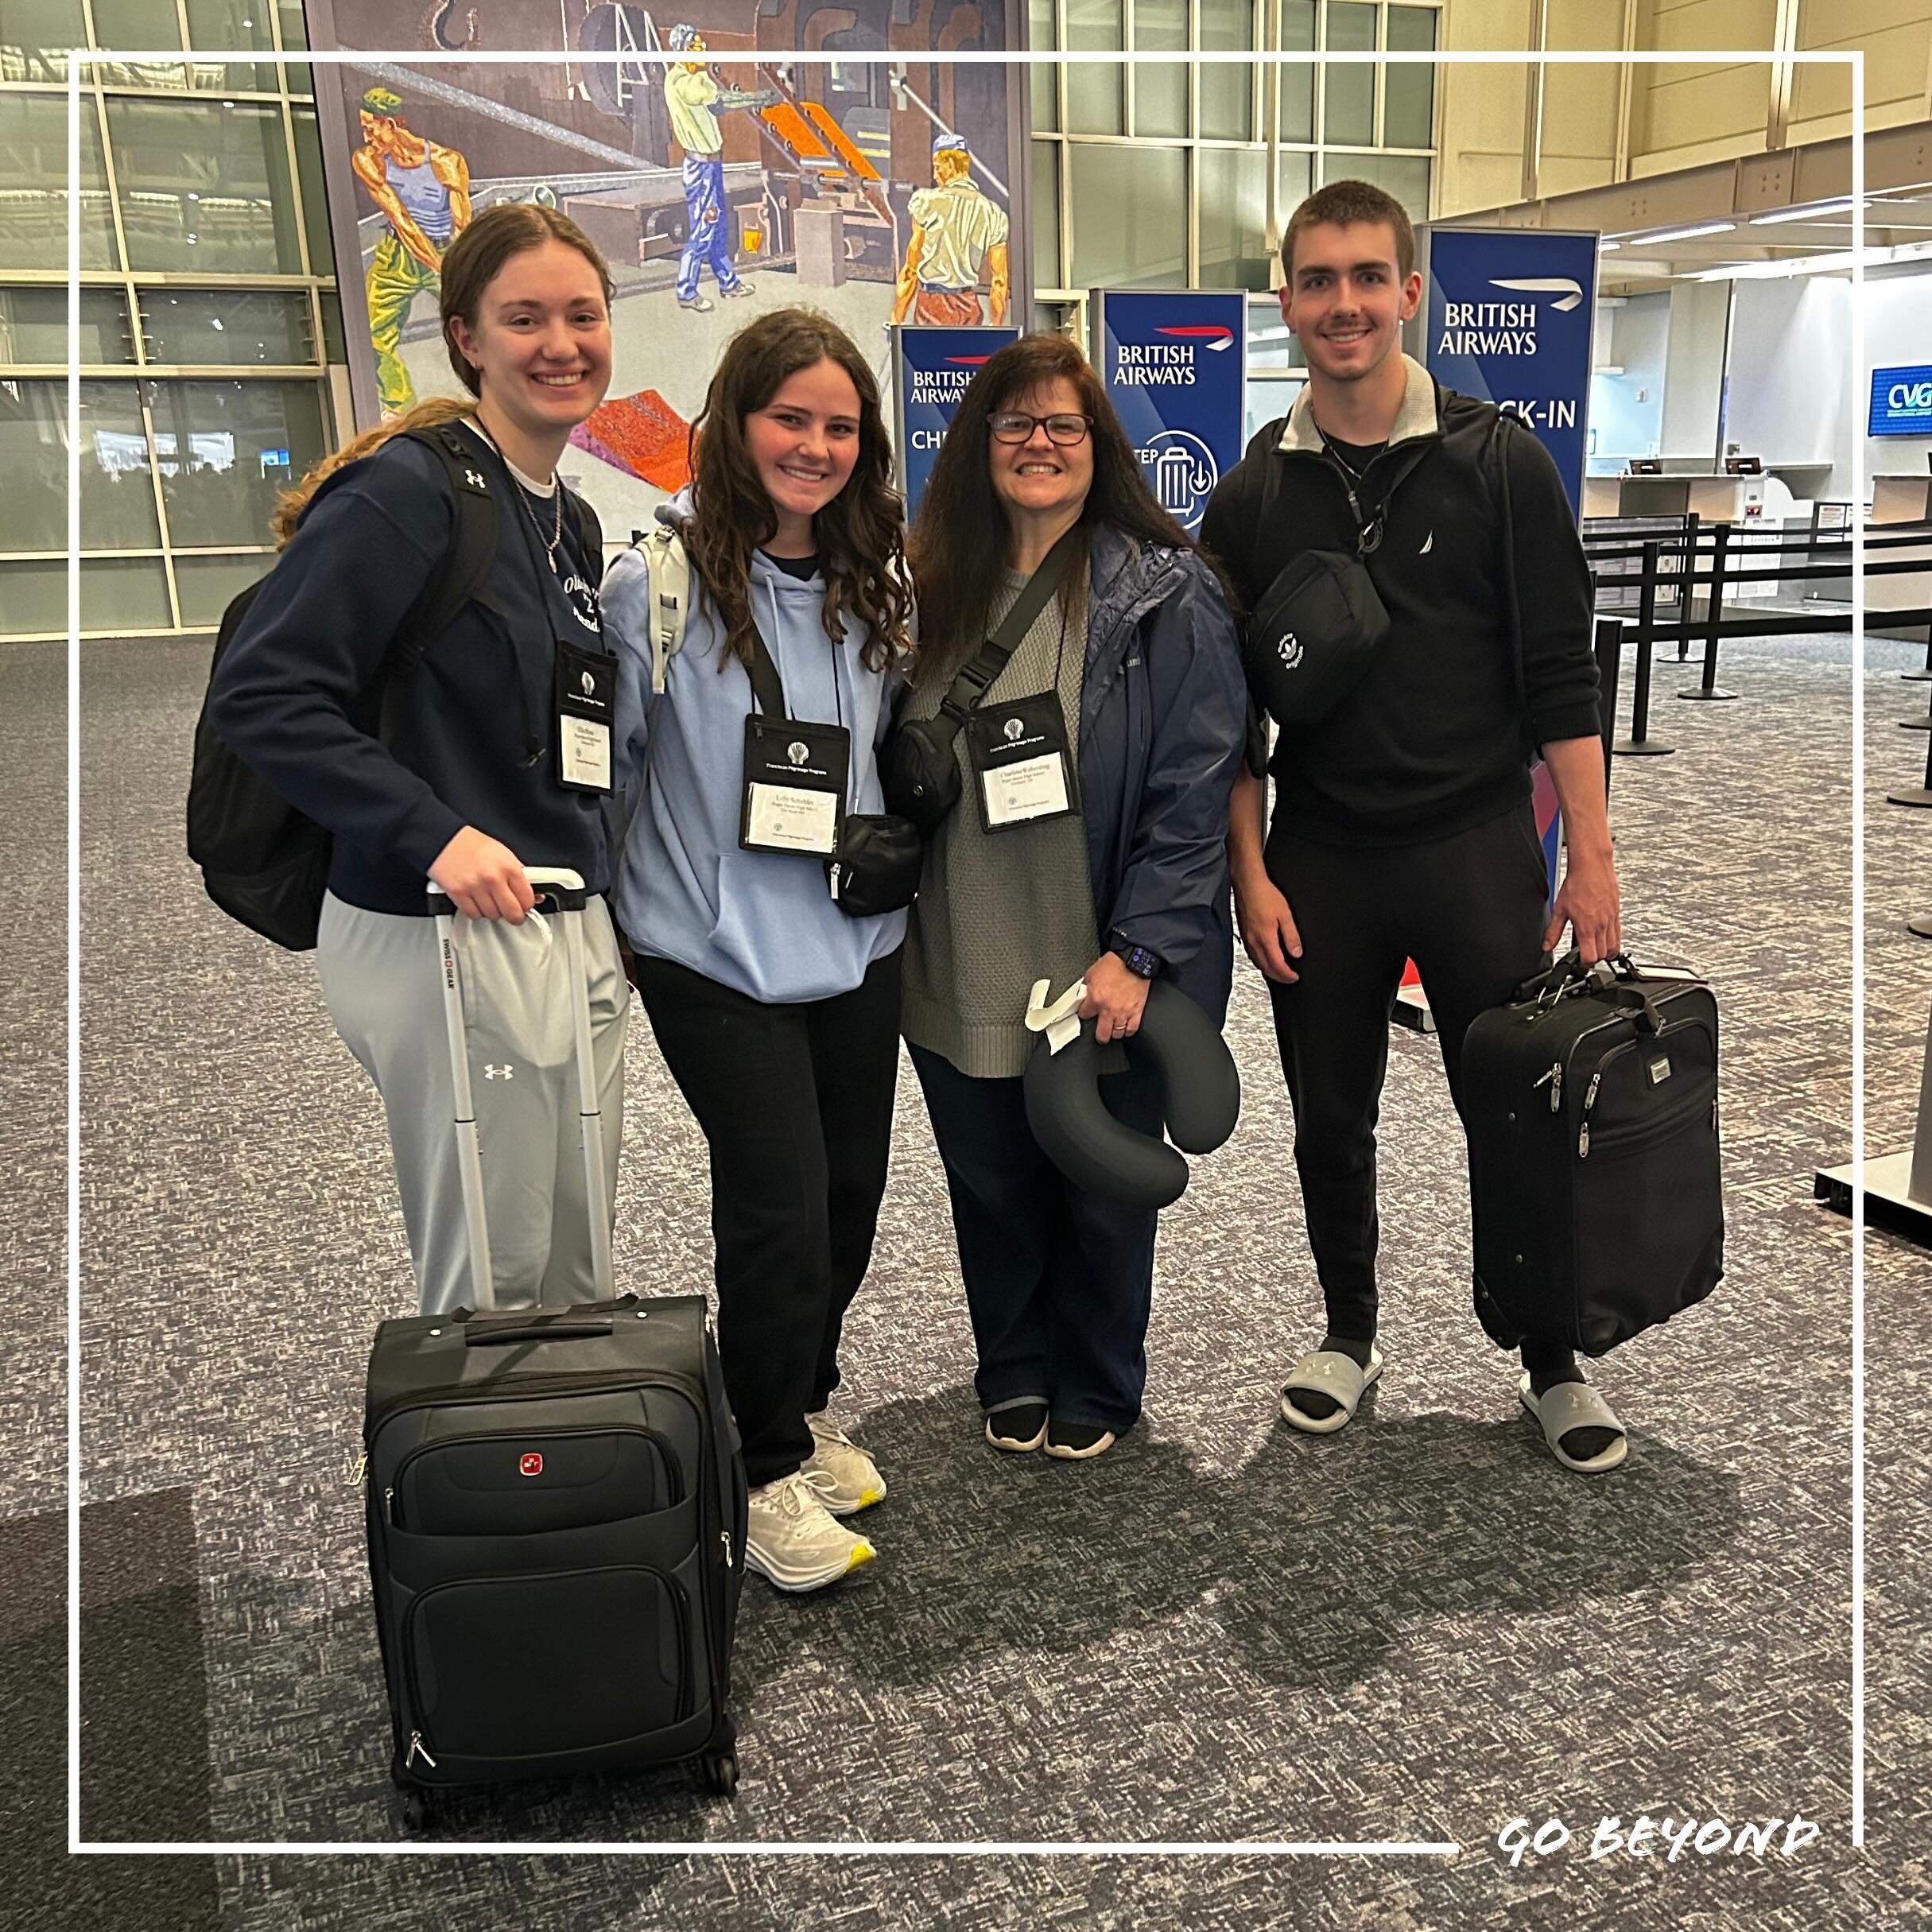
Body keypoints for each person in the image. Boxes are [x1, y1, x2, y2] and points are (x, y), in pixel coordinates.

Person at [1199, 180, 1628, 1473]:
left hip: (1478, 852)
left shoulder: (1499, 464)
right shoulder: (1250, 496)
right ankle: (1348, 1330)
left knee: (1521, 1113)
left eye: (1366, 278)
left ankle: (1552, 1358)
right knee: (1333, 1117)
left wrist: (1593, 861)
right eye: (1318, 281)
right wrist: (1250, 874)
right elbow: (1228, 722)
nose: (1343, 304)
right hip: (1322, 862)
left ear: (1408, 294)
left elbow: (1562, 673)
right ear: (1287, 302)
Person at [208, 204, 626, 1317]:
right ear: (466, 339)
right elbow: (264, 691)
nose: (560, 343)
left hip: (554, 919)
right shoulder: (411, 490)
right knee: (491, 1262)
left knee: (571, 1253)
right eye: (523, 317)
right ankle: (484, 1478)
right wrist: (435, 835)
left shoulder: (566, 519)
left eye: (581, 315)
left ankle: (574, 1462)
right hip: (436, 925)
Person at [603, 308, 912, 1593]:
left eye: (840, 426)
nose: (816, 445)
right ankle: (763, 1464)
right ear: (735, 424)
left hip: (855, 939)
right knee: (777, 1207)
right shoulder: (654, 588)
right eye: (791, 417)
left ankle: (795, 1398)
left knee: (848, 1199)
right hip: (709, 949)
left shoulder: (873, 586)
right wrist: (617, 931)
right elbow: (604, 773)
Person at [900, 334, 1246, 1461]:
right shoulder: (926, 585)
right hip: (963, 938)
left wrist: (1140, 950)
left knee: (1101, 1181)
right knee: (988, 1177)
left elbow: (1195, 787)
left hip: (1096, 946)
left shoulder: (1164, 591)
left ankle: (1097, 1376)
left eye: (1062, 425)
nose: (1038, 444)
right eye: (1014, 424)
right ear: (978, 446)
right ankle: (1011, 1362)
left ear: (1099, 448)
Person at [351, 87, 472, 416]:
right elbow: (402, 220)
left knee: (482, 325)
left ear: (390, 124)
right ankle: (400, 409)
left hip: (446, 253)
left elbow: (462, 224)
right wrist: (435, 266)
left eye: (370, 127)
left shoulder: (447, 162)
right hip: (398, 256)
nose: (366, 136)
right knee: (373, 333)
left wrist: (455, 269)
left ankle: (496, 399)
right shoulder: (367, 160)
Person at [662, 25, 778, 314]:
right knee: (704, 228)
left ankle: (728, 283)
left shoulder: (695, 77)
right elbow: (721, 102)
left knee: (718, 228)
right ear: (683, 49)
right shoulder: (681, 81)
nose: (703, 49)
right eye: (697, 46)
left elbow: (717, 103)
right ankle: (687, 291)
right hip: (700, 168)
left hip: (711, 164)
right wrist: (757, 99)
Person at [890, 133, 1011, 328]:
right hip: (969, 305)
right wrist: (996, 326)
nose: (934, 175)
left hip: (932, 305)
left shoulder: (927, 202)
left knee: (929, 357)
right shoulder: (993, 213)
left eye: (937, 168)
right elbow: (1000, 280)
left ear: (951, 165)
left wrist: (896, 319)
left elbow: (910, 269)